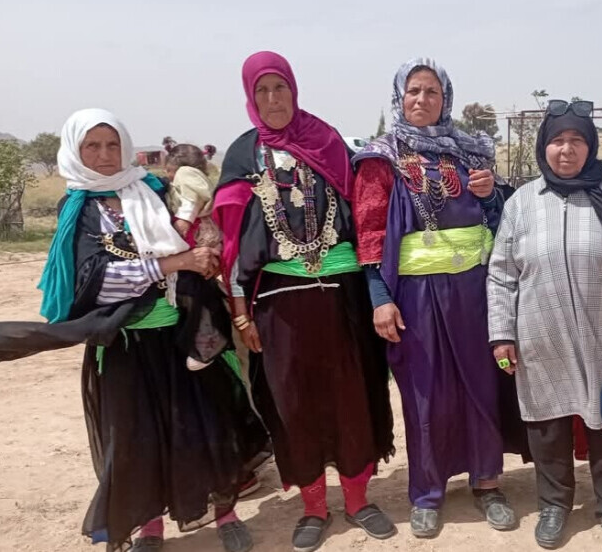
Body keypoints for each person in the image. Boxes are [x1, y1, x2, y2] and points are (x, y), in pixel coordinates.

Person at [0, 109, 268, 552]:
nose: (105, 155)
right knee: (135, 439)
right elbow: (97, 279)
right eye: (93, 146)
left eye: (112, 144)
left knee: (204, 427)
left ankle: (225, 513)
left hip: (183, 339)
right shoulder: (79, 209)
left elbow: (198, 236)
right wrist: (174, 263)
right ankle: (149, 527)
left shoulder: (154, 191)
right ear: (76, 151)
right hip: (124, 344)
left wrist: (197, 257)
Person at [212, 51, 396, 552]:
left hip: (343, 300)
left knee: (353, 398)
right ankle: (314, 507)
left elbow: (366, 215)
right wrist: (240, 313)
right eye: (262, 91)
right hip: (279, 307)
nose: (273, 99)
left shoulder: (326, 141)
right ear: (250, 98)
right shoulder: (244, 156)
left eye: (281, 88)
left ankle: (358, 500)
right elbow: (232, 245)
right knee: (295, 404)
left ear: (294, 91)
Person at [351, 57, 524, 539]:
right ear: (399, 98)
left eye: (432, 91)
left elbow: (497, 222)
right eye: (414, 91)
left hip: (474, 290)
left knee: (481, 384)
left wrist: (489, 196)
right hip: (414, 295)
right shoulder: (380, 158)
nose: (422, 99)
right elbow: (369, 236)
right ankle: (427, 493)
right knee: (425, 392)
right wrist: (379, 298)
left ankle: (487, 483)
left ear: (446, 99)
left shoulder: (470, 152)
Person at [486, 99, 602, 552]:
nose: (567, 150)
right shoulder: (523, 202)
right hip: (540, 336)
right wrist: (502, 334)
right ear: (544, 146)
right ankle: (553, 505)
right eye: (558, 140)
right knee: (546, 427)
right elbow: (501, 274)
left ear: (591, 146)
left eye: (577, 140)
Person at [162, 143, 232, 370]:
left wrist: (181, 224)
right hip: (211, 250)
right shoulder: (205, 180)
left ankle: (206, 348)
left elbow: (191, 201)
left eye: (168, 170)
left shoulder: (186, 176)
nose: (167, 175)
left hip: (195, 250)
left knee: (197, 299)